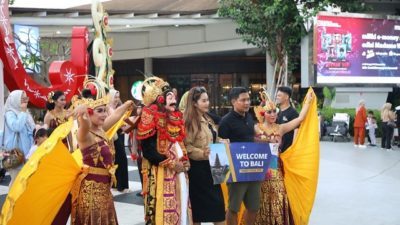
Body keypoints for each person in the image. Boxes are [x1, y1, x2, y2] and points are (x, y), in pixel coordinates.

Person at [71, 83, 134, 225]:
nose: (105, 114)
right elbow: (85, 124)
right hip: (91, 192)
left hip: (104, 190)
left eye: (105, 110)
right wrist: (82, 112)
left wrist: (127, 104)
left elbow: (117, 115)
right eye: (100, 111)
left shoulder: (101, 129)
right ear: (89, 112)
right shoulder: (85, 135)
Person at [249, 89, 313, 225]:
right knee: (259, 199)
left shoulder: (281, 128)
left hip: (275, 169)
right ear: (262, 114)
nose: (273, 114)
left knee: (279, 195)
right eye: (269, 112)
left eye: (274, 112)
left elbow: (300, 119)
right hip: (259, 170)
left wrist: (308, 101)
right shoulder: (255, 128)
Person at [137, 77, 192, 225]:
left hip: (179, 171)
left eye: (174, 97)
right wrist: (172, 164)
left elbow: (179, 142)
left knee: (182, 203)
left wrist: (185, 160)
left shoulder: (176, 117)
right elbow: (148, 151)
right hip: (161, 171)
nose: (173, 99)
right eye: (169, 97)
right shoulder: (150, 115)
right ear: (160, 100)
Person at [183, 87, 225, 225]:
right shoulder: (189, 121)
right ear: (194, 103)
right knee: (197, 214)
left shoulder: (208, 118)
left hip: (213, 169)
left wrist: (222, 142)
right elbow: (187, 147)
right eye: (204, 100)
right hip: (198, 172)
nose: (208, 103)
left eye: (208, 100)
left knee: (219, 211)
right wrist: (202, 153)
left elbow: (213, 139)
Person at [218, 87, 258, 225]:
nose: (247, 103)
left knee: (253, 207)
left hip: (252, 169)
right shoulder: (225, 121)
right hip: (235, 172)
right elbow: (220, 147)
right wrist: (223, 175)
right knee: (233, 207)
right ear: (234, 101)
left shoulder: (249, 117)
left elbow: (252, 139)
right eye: (243, 100)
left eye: (248, 99)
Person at [4, 90, 35, 187]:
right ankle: (11, 202)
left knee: (25, 182)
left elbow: (31, 128)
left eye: (26, 98)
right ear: (15, 100)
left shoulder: (25, 112)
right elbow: (16, 127)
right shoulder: (10, 113)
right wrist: (22, 112)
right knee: (16, 182)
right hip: (15, 153)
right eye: (22, 99)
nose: (25, 101)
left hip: (27, 151)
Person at [108, 89, 130, 192]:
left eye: (118, 97)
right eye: (115, 97)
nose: (117, 99)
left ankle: (121, 185)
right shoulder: (107, 109)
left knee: (120, 159)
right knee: (119, 159)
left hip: (119, 135)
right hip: (112, 137)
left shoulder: (118, 108)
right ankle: (119, 185)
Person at [276, 86, 299, 152]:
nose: (277, 97)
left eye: (279, 96)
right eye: (277, 95)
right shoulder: (277, 112)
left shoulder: (293, 113)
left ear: (286, 97)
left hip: (288, 151)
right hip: (277, 150)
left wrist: (293, 149)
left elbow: (296, 132)